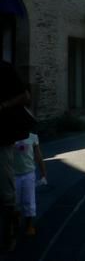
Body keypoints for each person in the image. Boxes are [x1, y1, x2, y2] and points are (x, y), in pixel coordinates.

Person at [0, 60, 31, 252]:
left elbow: (25, 96)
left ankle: (10, 229)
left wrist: (4, 105)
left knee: (5, 191)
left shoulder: (4, 68)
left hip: (1, 139)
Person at [13, 132, 46, 236]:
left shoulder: (32, 137)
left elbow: (38, 155)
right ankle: (16, 222)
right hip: (13, 175)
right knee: (14, 202)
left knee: (29, 201)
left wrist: (43, 172)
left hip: (28, 174)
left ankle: (29, 226)